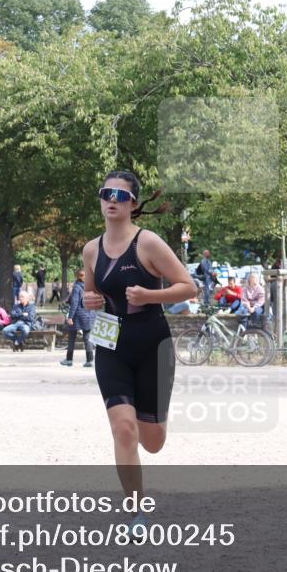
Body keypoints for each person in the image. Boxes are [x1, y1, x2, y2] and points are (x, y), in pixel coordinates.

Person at [79, 170, 195, 532]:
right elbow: (91, 296)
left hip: (153, 344)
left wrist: (150, 296)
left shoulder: (148, 244)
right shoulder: (91, 249)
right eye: (105, 193)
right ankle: (136, 513)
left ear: (132, 203)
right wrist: (90, 299)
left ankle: (155, 416)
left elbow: (188, 288)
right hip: (112, 345)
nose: (111, 199)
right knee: (124, 430)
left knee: (153, 441)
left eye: (119, 194)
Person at [61, 269, 95, 367]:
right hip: (90, 314)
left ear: (77, 276)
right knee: (87, 338)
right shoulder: (91, 286)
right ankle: (89, 360)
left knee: (72, 337)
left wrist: (70, 317)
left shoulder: (77, 287)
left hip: (78, 315)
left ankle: (69, 359)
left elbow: (74, 303)